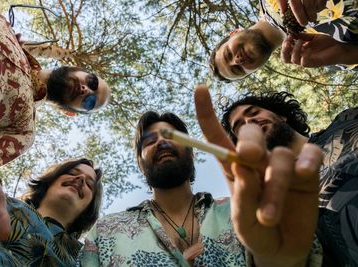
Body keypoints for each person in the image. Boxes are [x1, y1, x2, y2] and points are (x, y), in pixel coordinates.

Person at [80, 85, 324, 266]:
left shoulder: (245, 213)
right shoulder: (105, 232)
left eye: (171, 136)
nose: (162, 142)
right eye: (150, 141)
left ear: (192, 153)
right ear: (140, 162)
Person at [0, 0, 110, 244]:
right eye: (92, 81)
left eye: (90, 102)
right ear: (77, 67)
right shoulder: (9, 31)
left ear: (70, 112)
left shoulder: (22, 131)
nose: (86, 90)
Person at [220, 90, 358, 266]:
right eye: (240, 127)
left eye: (254, 113)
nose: (250, 122)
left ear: (281, 115)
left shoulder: (347, 120)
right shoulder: (278, 206)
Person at [0, 157, 103, 266]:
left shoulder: (85, 258)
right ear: (51, 180)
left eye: (89, 184)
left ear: (90, 206)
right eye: (72, 172)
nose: (81, 178)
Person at [209, 0, 358, 81]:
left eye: (229, 54)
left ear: (235, 32)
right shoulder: (327, 58)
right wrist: (348, 52)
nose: (237, 61)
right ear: (254, 71)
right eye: (238, 69)